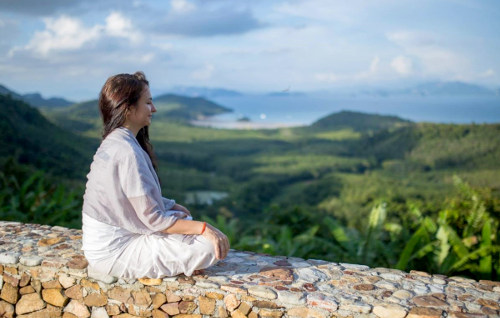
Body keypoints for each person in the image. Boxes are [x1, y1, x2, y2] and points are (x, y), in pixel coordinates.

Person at [81, 71, 229, 279]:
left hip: (112, 239)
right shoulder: (126, 151)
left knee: (185, 220)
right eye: (148, 103)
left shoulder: (118, 141)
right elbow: (153, 219)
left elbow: (129, 198)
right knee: (206, 246)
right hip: (113, 251)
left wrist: (170, 205)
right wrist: (205, 228)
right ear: (128, 108)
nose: (154, 109)